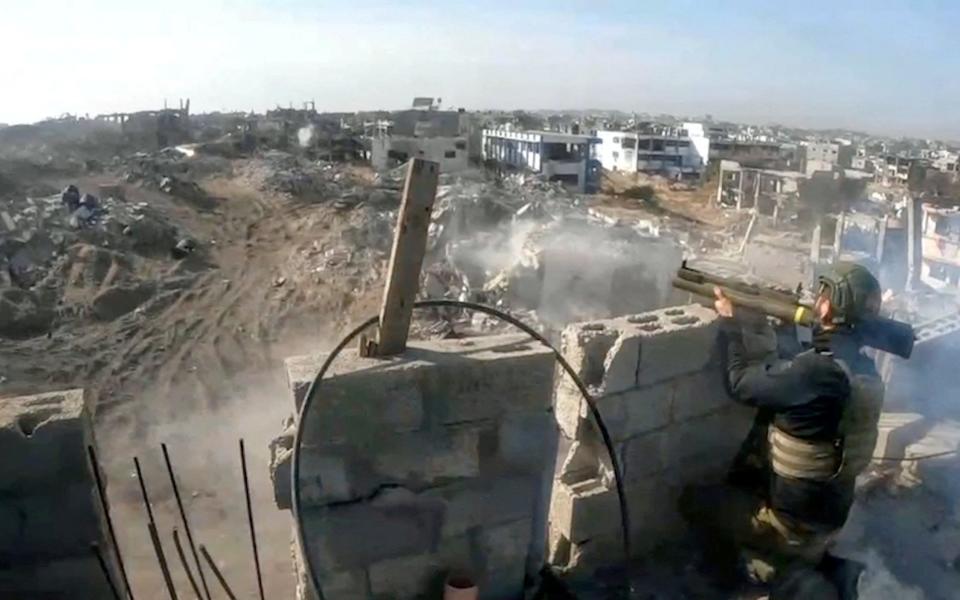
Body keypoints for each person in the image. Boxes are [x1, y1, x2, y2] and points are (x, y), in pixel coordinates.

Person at [679, 262, 886, 599]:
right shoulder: (864, 371)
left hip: (793, 527)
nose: (816, 300)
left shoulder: (815, 372)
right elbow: (809, 376)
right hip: (828, 520)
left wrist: (730, 323)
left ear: (827, 306)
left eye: (821, 295)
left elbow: (740, 383)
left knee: (695, 501)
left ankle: (750, 575)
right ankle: (810, 562)